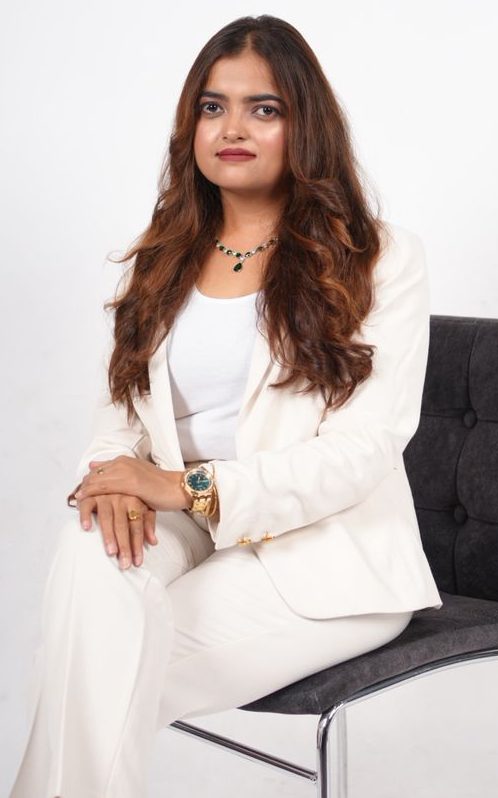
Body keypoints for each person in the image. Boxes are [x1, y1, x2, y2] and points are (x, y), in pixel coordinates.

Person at [8, 13, 442, 798]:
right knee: (89, 559)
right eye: (213, 107)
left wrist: (182, 490)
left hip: (325, 560)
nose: (231, 127)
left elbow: (365, 448)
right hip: (192, 535)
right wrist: (110, 477)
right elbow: (119, 410)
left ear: (303, 124)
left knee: (95, 671)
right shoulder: (162, 255)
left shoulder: (379, 257)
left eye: (262, 108)